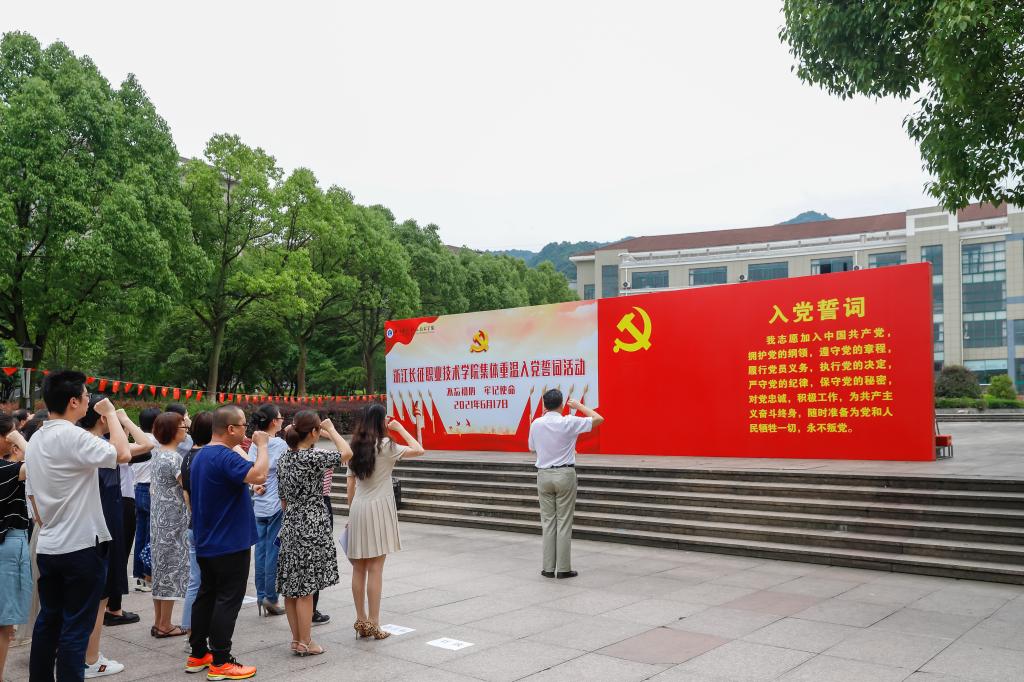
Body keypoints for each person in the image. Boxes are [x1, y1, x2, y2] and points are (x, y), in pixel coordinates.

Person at [24, 370, 131, 682]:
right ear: (73, 401)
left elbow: (33, 500)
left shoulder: (36, 438)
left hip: (49, 544)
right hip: (81, 546)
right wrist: (111, 414)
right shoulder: (73, 435)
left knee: (49, 623)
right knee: (75, 628)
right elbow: (123, 453)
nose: (88, 401)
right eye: (85, 396)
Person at [185, 406, 269, 680]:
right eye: (243, 425)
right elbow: (259, 475)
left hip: (208, 538)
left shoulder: (201, 454)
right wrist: (262, 445)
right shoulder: (223, 455)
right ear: (230, 429)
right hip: (229, 541)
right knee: (227, 599)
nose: (246, 430)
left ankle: (198, 653)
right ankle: (221, 660)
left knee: (207, 595)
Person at [77, 398, 153, 679]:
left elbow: (145, 445)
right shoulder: (101, 446)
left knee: (81, 596)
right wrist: (118, 417)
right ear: (101, 418)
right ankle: (90, 658)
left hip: (81, 524)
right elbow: (140, 446)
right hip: (103, 521)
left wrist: (118, 419)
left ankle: (77, 653)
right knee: (100, 595)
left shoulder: (77, 442)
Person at [276, 411, 352, 655]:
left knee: (291, 587)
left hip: (290, 522)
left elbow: (283, 499)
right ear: (312, 432)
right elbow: (347, 453)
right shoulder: (313, 457)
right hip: (312, 523)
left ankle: (296, 639)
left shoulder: (284, 458)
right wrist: (332, 430)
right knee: (306, 589)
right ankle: (306, 642)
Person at [347, 404, 425, 639]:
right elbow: (419, 449)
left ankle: (361, 621)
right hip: (380, 509)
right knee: (375, 568)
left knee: (359, 568)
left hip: (358, 508)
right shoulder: (387, 446)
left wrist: (351, 514)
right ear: (381, 421)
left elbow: (350, 484)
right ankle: (374, 623)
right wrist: (400, 428)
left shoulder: (354, 446)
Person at [528, 389, 604, 579]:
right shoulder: (569, 421)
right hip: (564, 474)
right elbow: (598, 419)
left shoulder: (536, 423)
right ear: (561, 405)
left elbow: (532, 448)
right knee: (563, 522)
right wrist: (579, 406)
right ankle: (563, 568)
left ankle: (547, 568)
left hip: (543, 475)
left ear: (545, 405)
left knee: (548, 522)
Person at [149, 411, 191, 639]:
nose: (185, 430)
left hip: (158, 521)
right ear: (173, 431)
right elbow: (187, 489)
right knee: (172, 571)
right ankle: (165, 624)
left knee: (160, 570)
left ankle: (159, 622)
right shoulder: (174, 459)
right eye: (183, 427)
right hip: (173, 522)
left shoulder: (157, 454)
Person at [247, 405, 286, 618]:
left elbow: (250, 470)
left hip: (259, 504)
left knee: (260, 552)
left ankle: (261, 596)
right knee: (273, 552)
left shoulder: (255, 443)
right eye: (280, 417)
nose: (282, 420)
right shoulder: (280, 444)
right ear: (273, 422)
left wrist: (254, 486)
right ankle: (271, 597)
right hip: (276, 504)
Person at [0, 416, 30, 682]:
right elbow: (43, 464)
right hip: (7, 544)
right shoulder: (8, 470)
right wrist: (21, 440)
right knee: (3, 623)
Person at [180, 411, 213, 638]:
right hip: (208, 527)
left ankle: (190, 628)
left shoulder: (187, 457)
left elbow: (186, 496)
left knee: (195, 580)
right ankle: (198, 632)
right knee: (207, 582)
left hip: (194, 523)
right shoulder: (209, 458)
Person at [131, 407, 161, 593]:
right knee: (151, 535)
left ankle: (140, 576)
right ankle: (149, 575)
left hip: (138, 489)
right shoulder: (154, 441)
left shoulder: (138, 441)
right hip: (151, 490)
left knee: (141, 535)